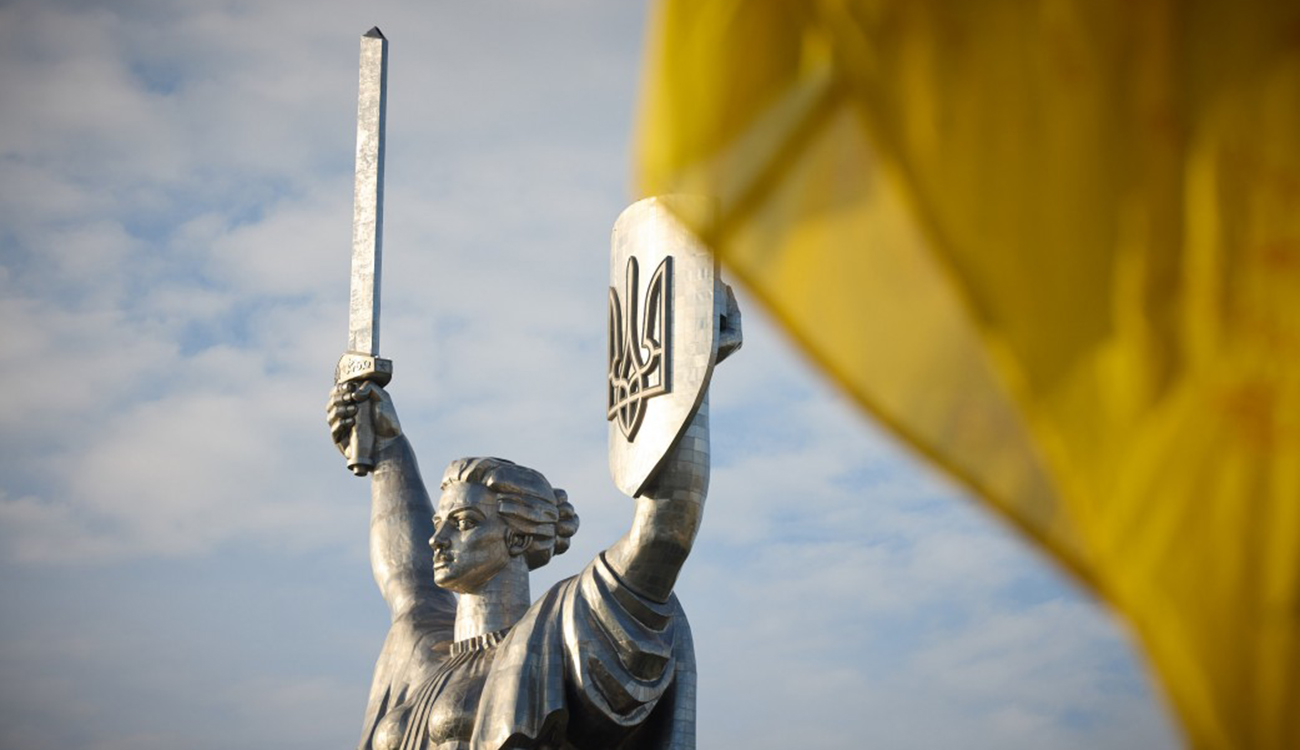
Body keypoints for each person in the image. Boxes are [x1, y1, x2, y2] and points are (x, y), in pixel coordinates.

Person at [326, 291, 741, 750]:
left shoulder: (555, 635)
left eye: (463, 523)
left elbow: (665, 531)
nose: (436, 540)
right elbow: (404, 570)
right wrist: (387, 448)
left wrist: (690, 369)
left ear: (519, 539)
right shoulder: (423, 645)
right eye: (439, 522)